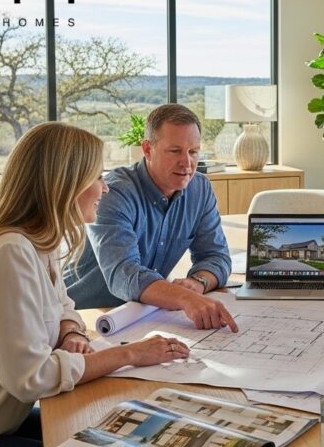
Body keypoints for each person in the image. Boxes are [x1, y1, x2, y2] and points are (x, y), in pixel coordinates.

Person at [0, 122, 191, 447]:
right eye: (97, 178)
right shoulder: (9, 252)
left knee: (108, 435)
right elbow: (30, 378)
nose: (104, 189)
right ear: (64, 184)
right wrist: (129, 354)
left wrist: (70, 333)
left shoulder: (38, 242)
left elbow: (62, 304)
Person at [66, 104, 237, 331]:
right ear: (147, 150)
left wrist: (198, 283)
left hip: (143, 315)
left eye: (193, 151)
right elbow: (123, 274)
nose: (187, 163)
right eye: (175, 151)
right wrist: (184, 298)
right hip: (83, 317)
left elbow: (216, 256)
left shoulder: (200, 189)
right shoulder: (115, 193)